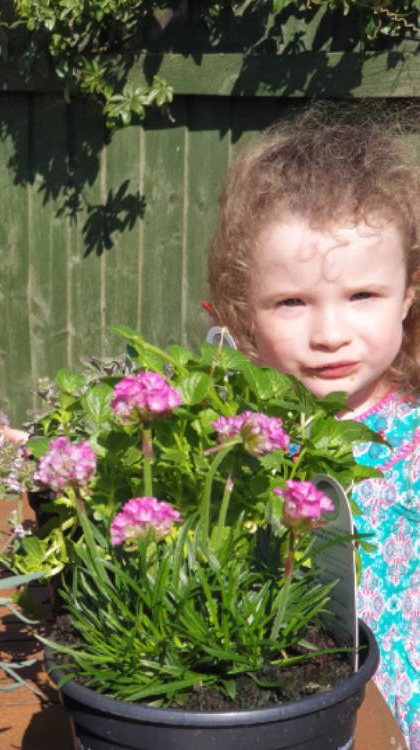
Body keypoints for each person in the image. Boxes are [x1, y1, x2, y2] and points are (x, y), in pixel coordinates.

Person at [207, 103, 420, 748]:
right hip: (276, 705)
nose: (330, 335)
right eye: (292, 302)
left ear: (409, 294)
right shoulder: (231, 433)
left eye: (363, 295)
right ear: (245, 312)